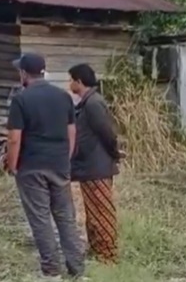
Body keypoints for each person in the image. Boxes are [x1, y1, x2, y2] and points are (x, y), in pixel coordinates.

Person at [7, 53, 85, 279]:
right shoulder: (63, 97)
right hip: (59, 165)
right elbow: (72, 132)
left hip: (32, 167)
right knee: (65, 217)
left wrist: (13, 165)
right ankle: (77, 270)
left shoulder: (21, 99)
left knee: (40, 219)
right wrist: (64, 159)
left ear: (23, 73)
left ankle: (51, 270)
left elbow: (14, 138)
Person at [69, 63, 121, 265]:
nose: (69, 83)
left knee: (102, 211)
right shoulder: (86, 103)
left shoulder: (93, 104)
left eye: (71, 79)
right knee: (93, 212)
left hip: (97, 166)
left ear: (79, 81)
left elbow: (107, 133)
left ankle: (108, 255)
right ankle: (98, 250)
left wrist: (115, 153)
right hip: (89, 166)